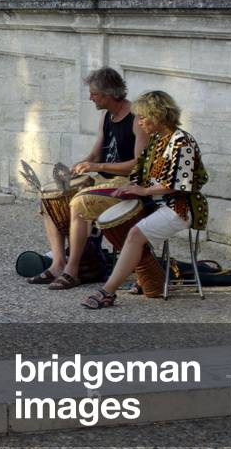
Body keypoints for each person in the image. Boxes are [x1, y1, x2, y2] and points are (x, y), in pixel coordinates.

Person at [81, 91, 208, 309]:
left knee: (134, 233)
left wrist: (143, 191)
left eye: (142, 117)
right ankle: (147, 275)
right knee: (117, 220)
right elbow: (140, 172)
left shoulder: (182, 142)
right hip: (155, 204)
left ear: (157, 116)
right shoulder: (157, 140)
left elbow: (177, 185)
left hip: (179, 208)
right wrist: (128, 188)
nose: (138, 122)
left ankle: (107, 292)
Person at [29, 67, 148, 290]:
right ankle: (58, 264)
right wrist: (81, 166)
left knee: (79, 203)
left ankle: (72, 271)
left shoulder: (136, 118)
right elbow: (96, 154)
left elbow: (139, 165)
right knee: (49, 199)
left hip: (126, 184)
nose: (90, 97)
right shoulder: (106, 116)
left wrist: (97, 166)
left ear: (109, 94)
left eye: (94, 93)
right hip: (103, 181)